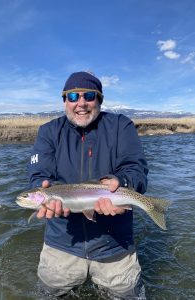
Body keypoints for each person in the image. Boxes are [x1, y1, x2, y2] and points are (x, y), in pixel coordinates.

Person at [28, 71, 148, 299]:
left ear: (99, 100)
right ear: (64, 101)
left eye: (89, 96)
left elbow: (137, 169)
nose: (80, 103)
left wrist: (122, 182)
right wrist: (40, 184)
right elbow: (38, 174)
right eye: (73, 96)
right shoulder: (48, 132)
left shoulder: (121, 126)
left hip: (115, 247)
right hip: (61, 246)